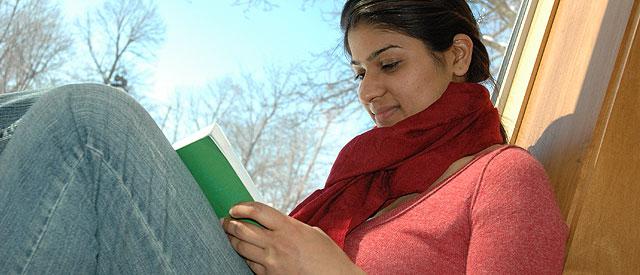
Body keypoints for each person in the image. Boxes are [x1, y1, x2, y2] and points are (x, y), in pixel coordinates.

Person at [0, 0, 568, 274]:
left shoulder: (503, 178)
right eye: (358, 72)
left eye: (389, 64)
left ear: (458, 54)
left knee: (89, 123)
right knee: (37, 126)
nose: (368, 91)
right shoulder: (362, 184)